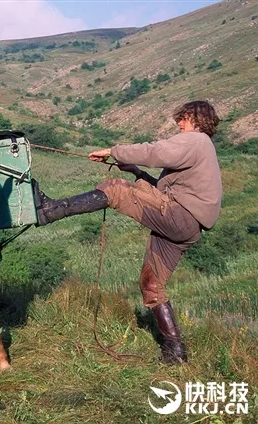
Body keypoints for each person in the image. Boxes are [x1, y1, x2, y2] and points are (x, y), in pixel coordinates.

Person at [34, 100, 222, 364]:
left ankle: (50, 210)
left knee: (115, 189)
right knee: (152, 284)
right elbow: (161, 193)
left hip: (181, 218)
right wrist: (136, 172)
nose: (180, 123)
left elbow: (157, 152)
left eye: (185, 118)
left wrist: (114, 151)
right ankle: (175, 352)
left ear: (199, 120)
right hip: (185, 225)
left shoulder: (197, 141)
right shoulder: (201, 149)